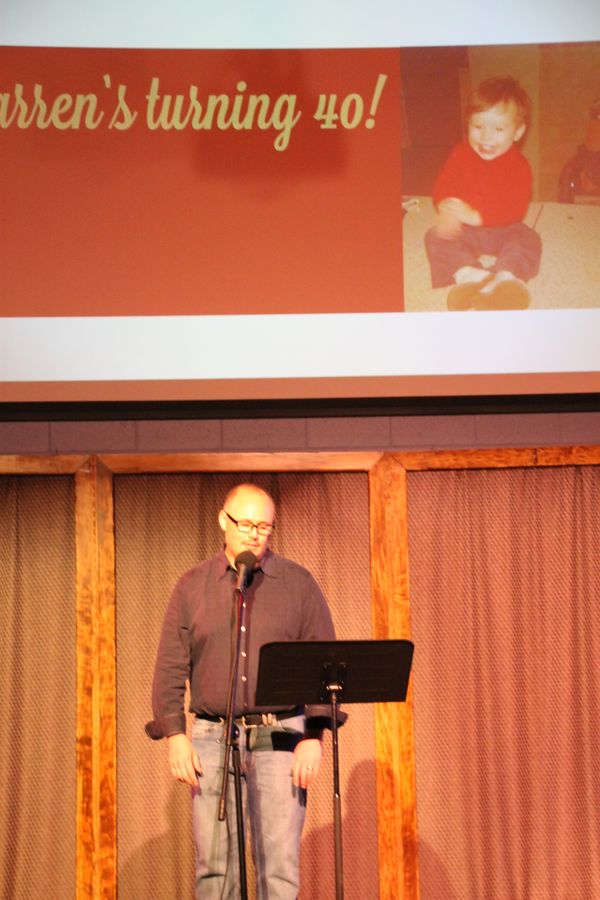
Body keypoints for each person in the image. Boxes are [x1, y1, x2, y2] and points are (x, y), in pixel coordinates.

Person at [146, 482, 340, 899]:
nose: (255, 534)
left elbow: (322, 662)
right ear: (224, 520)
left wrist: (313, 737)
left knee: (279, 867)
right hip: (213, 738)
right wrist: (175, 735)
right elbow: (170, 665)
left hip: (281, 735)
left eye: (264, 527)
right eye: (246, 524)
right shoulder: (192, 587)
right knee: (216, 869)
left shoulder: (297, 584)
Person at [425, 75, 542, 311]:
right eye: (478, 127)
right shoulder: (460, 153)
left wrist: (478, 216)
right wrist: (447, 208)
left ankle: (506, 277)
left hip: (503, 227)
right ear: (468, 124)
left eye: (498, 129)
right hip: (465, 228)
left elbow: (516, 207)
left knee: (529, 239)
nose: (486, 136)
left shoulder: (519, 166)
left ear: (518, 132)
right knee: (435, 236)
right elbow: (443, 185)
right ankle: (470, 274)